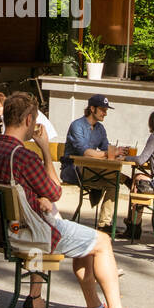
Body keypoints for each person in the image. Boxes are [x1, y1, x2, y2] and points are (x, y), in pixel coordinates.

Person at [0, 92, 144, 308]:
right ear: (28, 121)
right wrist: (44, 149)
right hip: (27, 235)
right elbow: (54, 192)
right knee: (103, 241)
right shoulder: (23, 156)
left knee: (86, 243)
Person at [60, 93, 124, 232]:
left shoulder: (100, 128)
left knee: (114, 183)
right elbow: (85, 152)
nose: (105, 113)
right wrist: (108, 154)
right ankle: (129, 181)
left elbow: (106, 148)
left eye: (106, 110)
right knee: (115, 177)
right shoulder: (77, 125)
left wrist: (118, 153)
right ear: (92, 108)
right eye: (103, 110)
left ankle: (104, 224)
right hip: (72, 169)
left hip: (92, 169)